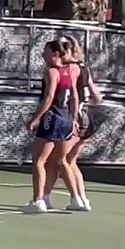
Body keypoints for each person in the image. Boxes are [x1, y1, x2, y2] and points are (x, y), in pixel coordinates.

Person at [42, 35, 104, 211]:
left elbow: (72, 96)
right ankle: (79, 198)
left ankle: (73, 198)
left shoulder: (68, 69)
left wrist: (74, 115)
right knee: (69, 160)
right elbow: (96, 94)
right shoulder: (84, 68)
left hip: (72, 116)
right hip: (85, 116)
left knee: (60, 160)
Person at [22, 40, 81, 214]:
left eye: (46, 52)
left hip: (52, 118)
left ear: (55, 54)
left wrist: (36, 118)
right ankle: (76, 198)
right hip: (66, 118)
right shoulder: (68, 72)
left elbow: (48, 98)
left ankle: (38, 200)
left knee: (39, 161)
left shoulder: (52, 72)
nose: (43, 55)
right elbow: (75, 97)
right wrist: (74, 118)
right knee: (61, 160)